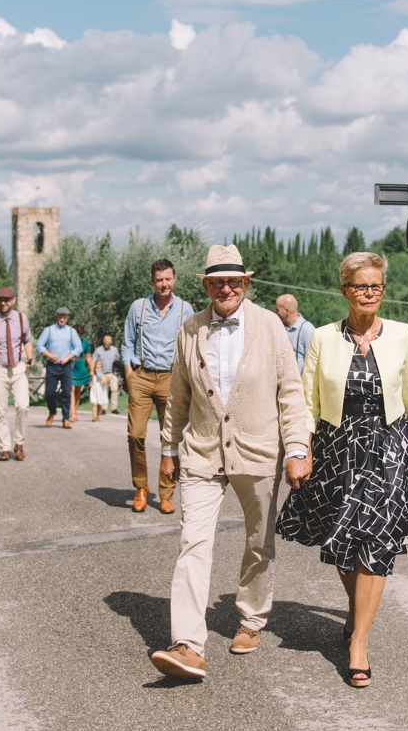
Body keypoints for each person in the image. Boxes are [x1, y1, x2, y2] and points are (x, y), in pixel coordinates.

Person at [277, 251, 408, 689]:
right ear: (344, 290)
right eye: (361, 287)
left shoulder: (401, 333)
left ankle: (359, 641)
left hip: (388, 445)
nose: (370, 294)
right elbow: (308, 402)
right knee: (343, 537)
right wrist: (299, 450)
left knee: (379, 537)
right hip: (336, 447)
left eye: (376, 287)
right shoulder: (323, 338)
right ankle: (356, 610)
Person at [149, 245, 310, 681]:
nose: (226, 288)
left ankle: (252, 618)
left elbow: (290, 393)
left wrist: (297, 448)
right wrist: (167, 450)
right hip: (201, 452)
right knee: (193, 543)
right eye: (217, 281)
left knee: (259, 542)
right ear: (204, 285)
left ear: (246, 284)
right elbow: (178, 399)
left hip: (258, 451)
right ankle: (187, 644)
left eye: (234, 281)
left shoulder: (269, 326)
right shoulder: (190, 330)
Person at [123, 259, 194, 513]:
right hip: (141, 376)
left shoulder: (185, 309)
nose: (164, 284)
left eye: (168, 279)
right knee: (135, 434)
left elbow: (192, 345)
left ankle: (166, 493)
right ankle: (141, 487)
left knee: (171, 438)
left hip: (171, 378)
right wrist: (129, 373)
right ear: (152, 281)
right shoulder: (138, 307)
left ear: (174, 279)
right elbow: (127, 342)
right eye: (159, 280)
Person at [0, 287, 33, 462]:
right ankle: (5, 448)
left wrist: (30, 358)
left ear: (13, 300)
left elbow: (27, 340)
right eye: (0, 299)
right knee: (0, 411)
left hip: (18, 368)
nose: (3, 303)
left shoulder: (21, 318)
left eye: (6, 299)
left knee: (22, 406)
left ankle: (19, 443)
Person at [38, 306, 83, 428]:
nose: (62, 319)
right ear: (56, 316)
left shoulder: (71, 331)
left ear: (67, 318)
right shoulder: (49, 330)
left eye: (64, 317)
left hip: (66, 366)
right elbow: (39, 345)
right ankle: (52, 411)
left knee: (67, 393)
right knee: (50, 394)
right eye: (60, 316)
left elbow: (79, 347)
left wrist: (68, 357)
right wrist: (49, 355)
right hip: (52, 366)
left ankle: (66, 419)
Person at [276, 293, 314, 373]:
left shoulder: (307, 329)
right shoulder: (279, 327)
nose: (275, 312)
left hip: (299, 383)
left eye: (277, 310)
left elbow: (312, 361)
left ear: (287, 311)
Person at [91, 333, 121, 420]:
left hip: (112, 373)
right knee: (103, 390)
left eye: (108, 341)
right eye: (105, 341)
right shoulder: (98, 350)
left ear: (111, 341)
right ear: (103, 341)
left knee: (114, 389)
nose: (107, 343)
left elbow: (117, 360)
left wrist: (117, 366)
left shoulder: (115, 350)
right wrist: (93, 373)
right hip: (101, 374)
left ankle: (114, 407)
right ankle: (103, 408)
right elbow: (93, 361)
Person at [70, 328, 92, 423]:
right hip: (70, 366)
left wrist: (92, 370)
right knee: (71, 389)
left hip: (80, 367)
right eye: (78, 335)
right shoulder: (68, 340)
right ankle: (73, 413)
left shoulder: (84, 342)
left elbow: (88, 356)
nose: (79, 337)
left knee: (78, 390)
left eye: (81, 335)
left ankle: (75, 410)